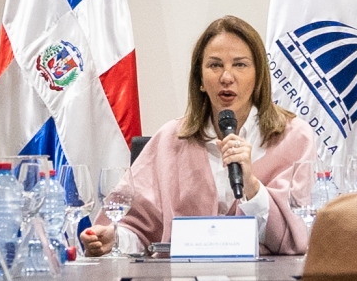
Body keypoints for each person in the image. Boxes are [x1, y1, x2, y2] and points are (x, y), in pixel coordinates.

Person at [79, 16, 315, 257]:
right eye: (215, 65)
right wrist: (115, 238)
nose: (226, 77)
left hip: (267, 278)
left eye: (240, 65)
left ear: (258, 77)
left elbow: (296, 239)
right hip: (183, 278)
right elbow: (139, 230)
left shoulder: (294, 138)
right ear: (200, 79)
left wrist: (252, 185)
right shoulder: (171, 140)